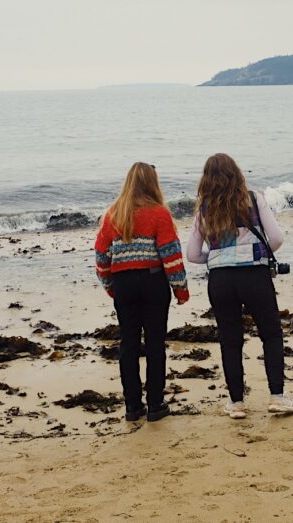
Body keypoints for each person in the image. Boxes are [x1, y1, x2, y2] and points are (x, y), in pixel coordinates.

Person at [186, 153, 293, 419]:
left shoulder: (204, 208)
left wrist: (216, 258)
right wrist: (255, 253)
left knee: (230, 339)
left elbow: (192, 255)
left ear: (206, 180)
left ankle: (236, 403)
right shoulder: (252, 199)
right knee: (270, 333)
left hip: (220, 280)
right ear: (236, 174)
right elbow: (277, 238)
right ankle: (277, 397)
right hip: (254, 276)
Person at [95, 162, 189, 422]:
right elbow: (171, 255)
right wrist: (180, 288)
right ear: (152, 183)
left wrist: (110, 285)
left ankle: (132, 406)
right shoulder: (159, 213)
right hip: (153, 282)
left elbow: (101, 255)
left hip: (124, 284)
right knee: (155, 343)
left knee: (128, 344)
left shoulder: (114, 214)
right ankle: (156, 405)